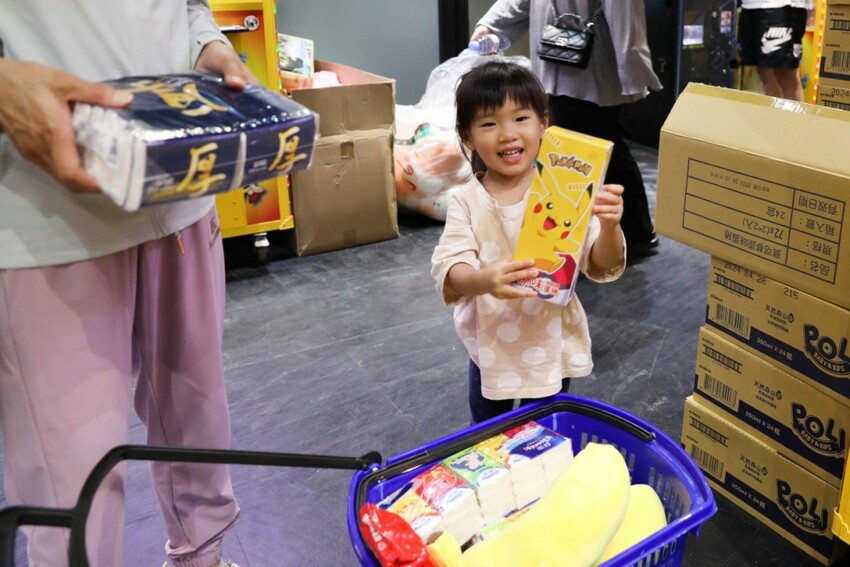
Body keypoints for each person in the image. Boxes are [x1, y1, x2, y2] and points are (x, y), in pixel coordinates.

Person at [0, 2, 256, 566]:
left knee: (199, 425)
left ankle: (203, 559)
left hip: (181, 187)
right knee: (73, 486)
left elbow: (188, 6)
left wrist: (204, 44)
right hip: (45, 213)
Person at [431, 61, 626, 424]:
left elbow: (601, 264)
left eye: (520, 119)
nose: (507, 134)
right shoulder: (466, 200)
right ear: (468, 136)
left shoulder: (566, 190)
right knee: (488, 433)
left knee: (546, 433)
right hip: (490, 347)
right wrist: (485, 280)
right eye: (489, 123)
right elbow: (450, 266)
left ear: (543, 124)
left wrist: (610, 225)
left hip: (550, 342)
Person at [471, 0, 662, 257]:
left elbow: (625, 18)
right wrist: (489, 25)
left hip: (593, 73)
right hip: (555, 62)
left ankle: (631, 232)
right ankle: (610, 230)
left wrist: (633, 79)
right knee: (589, 150)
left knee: (603, 149)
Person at [738, 0, 813, 101]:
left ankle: (794, 116)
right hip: (750, 5)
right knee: (764, 71)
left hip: (781, 5)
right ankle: (774, 115)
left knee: (785, 73)